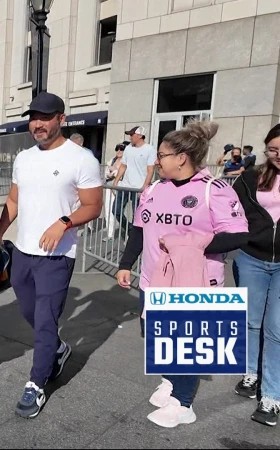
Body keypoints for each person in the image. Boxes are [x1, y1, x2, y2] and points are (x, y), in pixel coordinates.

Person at [116, 121, 248, 428]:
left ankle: (184, 402)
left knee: (186, 345)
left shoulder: (213, 190)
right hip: (152, 280)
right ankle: (169, 380)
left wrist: (191, 243)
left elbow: (239, 235)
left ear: (181, 157)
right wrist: (125, 263)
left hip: (193, 282)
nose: (157, 161)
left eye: (162, 155)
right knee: (154, 334)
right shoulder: (153, 190)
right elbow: (139, 229)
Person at [0, 92, 103, 419]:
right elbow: (13, 201)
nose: (37, 124)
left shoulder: (82, 159)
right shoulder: (25, 158)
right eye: (33, 118)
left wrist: (64, 222)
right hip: (23, 253)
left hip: (57, 255)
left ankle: (36, 384)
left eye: (45, 117)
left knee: (44, 320)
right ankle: (57, 347)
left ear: (61, 119)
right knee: (30, 313)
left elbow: (93, 205)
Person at [232, 124, 280, 427]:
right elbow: (229, 211)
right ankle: (250, 373)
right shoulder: (251, 177)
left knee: (276, 328)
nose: (278, 157)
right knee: (250, 321)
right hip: (251, 257)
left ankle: (271, 396)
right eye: (273, 150)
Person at [112, 126, 157, 231]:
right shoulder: (128, 148)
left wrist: (144, 188)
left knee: (136, 216)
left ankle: (135, 236)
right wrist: (116, 181)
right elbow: (123, 166)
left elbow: (150, 170)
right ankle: (130, 230)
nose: (130, 137)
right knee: (116, 211)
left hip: (138, 188)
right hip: (125, 186)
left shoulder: (149, 149)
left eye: (132, 135)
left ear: (140, 136)